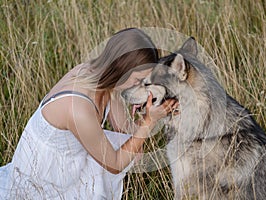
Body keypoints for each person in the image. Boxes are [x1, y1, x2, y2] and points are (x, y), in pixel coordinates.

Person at [0, 28, 178, 199]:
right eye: (138, 81)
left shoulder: (108, 82)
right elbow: (114, 165)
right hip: (45, 177)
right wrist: (150, 122)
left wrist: (148, 107)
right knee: (129, 151)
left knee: (133, 148)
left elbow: (126, 129)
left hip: (70, 159)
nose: (139, 87)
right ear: (121, 69)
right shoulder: (78, 107)